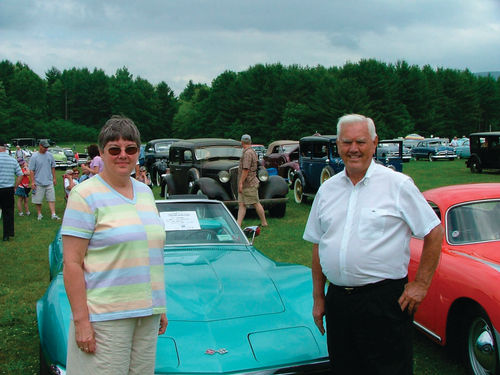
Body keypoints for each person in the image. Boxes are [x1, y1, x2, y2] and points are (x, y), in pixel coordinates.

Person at [303, 114, 443, 374]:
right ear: (337, 145)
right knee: (345, 368)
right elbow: (318, 244)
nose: (353, 149)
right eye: (346, 142)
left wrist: (421, 285)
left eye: (361, 142)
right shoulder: (327, 189)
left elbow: (434, 232)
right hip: (339, 302)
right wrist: (318, 298)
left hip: (383, 302)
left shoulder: (397, 185)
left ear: (374, 143)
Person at [62, 115, 167, 374]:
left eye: (130, 149)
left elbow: (148, 251)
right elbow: (72, 263)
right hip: (105, 318)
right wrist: (81, 322)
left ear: (138, 152)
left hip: (147, 313)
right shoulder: (84, 195)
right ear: (102, 152)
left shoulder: (144, 191)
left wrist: (159, 305)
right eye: (114, 149)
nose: (123, 155)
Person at [237, 134, 268, 227]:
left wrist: (241, 183)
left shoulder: (247, 153)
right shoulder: (252, 151)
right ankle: (238, 223)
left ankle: (264, 222)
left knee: (255, 203)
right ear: (250, 142)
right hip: (249, 182)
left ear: (242, 142)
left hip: (249, 183)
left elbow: (245, 169)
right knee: (242, 204)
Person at [29, 139, 60, 220]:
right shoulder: (34, 156)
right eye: (44, 147)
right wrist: (32, 182)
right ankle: (39, 214)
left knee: (51, 198)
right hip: (38, 182)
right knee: (38, 200)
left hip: (49, 181)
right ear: (40, 146)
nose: (46, 149)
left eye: (47, 147)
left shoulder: (50, 155)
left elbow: (53, 167)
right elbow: (31, 170)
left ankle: (53, 214)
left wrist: (54, 178)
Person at [0, 140, 23, 241]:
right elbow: (20, 174)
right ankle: (7, 234)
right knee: (8, 212)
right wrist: (15, 186)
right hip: (8, 189)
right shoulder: (12, 160)